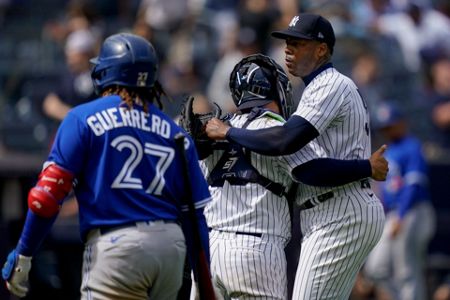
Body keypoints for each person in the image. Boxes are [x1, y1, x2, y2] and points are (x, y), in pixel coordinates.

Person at [1, 33, 212, 300]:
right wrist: (205, 285)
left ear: (104, 73)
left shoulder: (81, 117)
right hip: (170, 247)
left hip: (117, 247)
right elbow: (195, 219)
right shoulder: (175, 133)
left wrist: (24, 252)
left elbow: (45, 196)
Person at [205, 13, 387, 299]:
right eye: (288, 43)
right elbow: (305, 170)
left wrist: (227, 132)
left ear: (321, 49)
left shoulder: (329, 83)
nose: (288, 50)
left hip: (340, 207)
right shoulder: (315, 89)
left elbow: (285, 140)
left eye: (298, 43)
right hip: (329, 208)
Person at [364, 102, 436, 300]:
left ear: (402, 123)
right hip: (392, 215)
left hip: (413, 211)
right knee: (376, 268)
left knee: (407, 270)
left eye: (391, 125)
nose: (388, 130)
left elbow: (415, 185)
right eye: (385, 127)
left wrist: (401, 216)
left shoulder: (412, 147)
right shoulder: (387, 151)